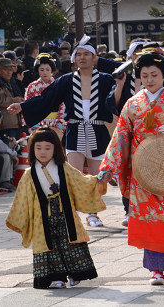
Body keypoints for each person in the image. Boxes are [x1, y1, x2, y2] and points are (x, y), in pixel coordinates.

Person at [99, 51, 164, 286]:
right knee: (149, 218)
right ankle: (155, 269)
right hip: (143, 170)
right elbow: (121, 135)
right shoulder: (133, 104)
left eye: (154, 74)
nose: (149, 79)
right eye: (144, 75)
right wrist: (109, 165)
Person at [9, 35, 116, 228]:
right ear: (74, 59)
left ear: (94, 58)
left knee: (96, 176)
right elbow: (47, 99)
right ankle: (72, 212)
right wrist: (23, 107)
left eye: (87, 54)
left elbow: (115, 100)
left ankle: (92, 213)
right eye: (79, 54)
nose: (82, 58)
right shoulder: (66, 80)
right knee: (72, 173)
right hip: (75, 129)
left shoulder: (106, 79)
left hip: (98, 129)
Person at [6, 127, 106, 289]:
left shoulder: (64, 168)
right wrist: (21, 218)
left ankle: (76, 274)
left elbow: (82, 182)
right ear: (32, 149)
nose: (42, 152)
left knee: (70, 244)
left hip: (63, 212)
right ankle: (55, 277)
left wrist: (98, 180)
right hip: (41, 216)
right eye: (38, 148)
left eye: (47, 148)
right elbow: (22, 199)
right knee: (48, 246)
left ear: (55, 149)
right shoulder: (28, 174)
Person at [24, 54, 67, 135]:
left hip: (56, 123)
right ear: (38, 70)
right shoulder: (32, 87)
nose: (45, 72)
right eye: (42, 70)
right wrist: (34, 126)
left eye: (47, 69)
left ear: (52, 70)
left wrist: (59, 125)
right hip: (37, 124)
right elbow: (27, 107)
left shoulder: (59, 85)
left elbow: (63, 106)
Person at [0, 57, 24, 140]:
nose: (9, 72)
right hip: (5, 125)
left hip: (14, 124)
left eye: (11, 69)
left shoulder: (8, 82)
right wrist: (14, 100)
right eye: (6, 69)